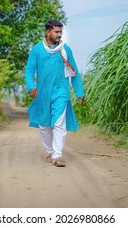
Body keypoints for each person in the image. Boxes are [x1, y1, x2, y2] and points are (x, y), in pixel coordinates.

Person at [25, 19, 85, 167]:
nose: (59, 35)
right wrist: (31, 86)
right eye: (56, 32)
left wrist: (79, 92)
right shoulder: (37, 49)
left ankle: (57, 155)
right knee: (44, 125)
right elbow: (29, 70)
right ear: (48, 32)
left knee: (59, 123)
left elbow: (74, 72)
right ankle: (50, 151)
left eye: (61, 32)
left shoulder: (65, 50)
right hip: (43, 94)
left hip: (61, 92)